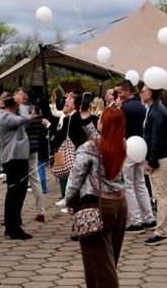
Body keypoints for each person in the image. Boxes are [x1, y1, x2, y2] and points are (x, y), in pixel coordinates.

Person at [64, 106, 129, 288]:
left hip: (97, 204)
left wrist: (69, 200)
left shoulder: (89, 148)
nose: (97, 121)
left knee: (102, 266)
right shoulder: (121, 144)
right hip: (120, 204)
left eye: (100, 118)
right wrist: (87, 120)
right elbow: (102, 139)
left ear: (104, 124)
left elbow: (75, 178)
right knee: (105, 259)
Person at [0, 96, 47, 239]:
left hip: (19, 158)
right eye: (18, 106)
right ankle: (13, 227)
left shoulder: (10, 116)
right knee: (15, 193)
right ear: (14, 106)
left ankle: (13, 224)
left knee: (18, 193)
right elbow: (23, 119)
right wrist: (24, 108)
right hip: (13, 159)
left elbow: (24, 123)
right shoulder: (5, 116)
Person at [116, 81, 154, 231]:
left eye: (120, 93)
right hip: (140, 147)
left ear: (126, 91)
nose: (119, 96)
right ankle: (149, 218)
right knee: (141, 184)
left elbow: (121, 128)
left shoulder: (125, 108)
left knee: (129, 185)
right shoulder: (141, 106)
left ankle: (135, 221)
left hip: (129, 147)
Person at [140, 87, 167, 245]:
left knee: (160, 194)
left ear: (150, 93)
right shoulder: (153, 109)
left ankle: (161, 232)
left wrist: (152, 161)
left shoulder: (157, 110)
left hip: (160, 157)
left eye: (143, 91)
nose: (141, 94)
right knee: (162, 191)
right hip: (159, 155)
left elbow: (156, 138)